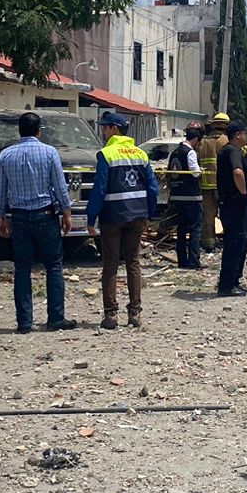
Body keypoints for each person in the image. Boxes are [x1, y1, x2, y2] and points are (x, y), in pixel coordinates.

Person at [0, 111, 77, 334]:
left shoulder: (5, 155)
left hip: (19, 217)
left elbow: (0, 190)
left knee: (22, 268)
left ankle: (24, 322)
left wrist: (0, 217)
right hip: (45, 215)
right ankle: (56, 318)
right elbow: (59, 186)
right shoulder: (49, 152)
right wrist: (67, 212)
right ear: (39, 131)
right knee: (54, 266)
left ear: (19, 131)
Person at [88, 111, 160, 330]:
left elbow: (99, 189)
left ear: (114, 129)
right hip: (137, 216)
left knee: (110, 264)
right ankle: (135, 313)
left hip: (112, 216)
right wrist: (148, 212)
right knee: (133, 262)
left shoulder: (106, 154)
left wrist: (91, 217)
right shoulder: (140, 154)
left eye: (105, 127)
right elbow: (153, 188)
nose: (103, 131)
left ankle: (111, 315)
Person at [215, 121, 247, 297]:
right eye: (246, 133)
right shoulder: (233, 151)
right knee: (234, 244)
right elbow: (237, 172)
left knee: (240, 243)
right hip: (234, 204)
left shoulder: (227, 150)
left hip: (229, 204)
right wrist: (244, 192)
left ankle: (234, 280)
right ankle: (227, 285)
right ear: (238, 135)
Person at [168, 122, 206, 268]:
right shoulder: (190, 152)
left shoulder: (175, 153)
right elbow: (195, 173)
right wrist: (201, 171)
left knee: (182, 229)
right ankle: (194, 261)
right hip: (191, 196)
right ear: (196, 140)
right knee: (195, 229)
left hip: (177, 195)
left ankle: (182, 261)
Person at [197, 113, 231, 253]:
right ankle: (229, 241)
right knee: (227, 214)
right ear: (226, 126)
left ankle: (208, 242)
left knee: (208, 216)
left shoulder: (203, 142)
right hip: (223, 185)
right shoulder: (227, 141)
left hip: (206, 184)